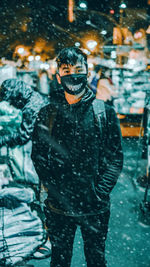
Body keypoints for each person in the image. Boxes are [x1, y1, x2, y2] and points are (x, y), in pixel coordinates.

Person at [31, 47, 123, 267]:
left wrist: (99, 192)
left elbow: (115, 158)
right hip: (59, 208)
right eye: (66, 69)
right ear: (58, 75)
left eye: (78, 69)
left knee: (96, 259)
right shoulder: (48, 113)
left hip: (95, 208)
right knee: (60, 259)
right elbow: (39, 157)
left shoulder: (104, 112)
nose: (73, 74)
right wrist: (54, 190)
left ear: (87, 72)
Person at [0, 79, 51, 260]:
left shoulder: (31, 107)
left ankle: (45, 240)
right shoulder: (36, 98)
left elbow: (24, 134)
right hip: (50, 154)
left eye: (11, 99)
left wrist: (3, 139)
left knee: (41, 197)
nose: (12, 103)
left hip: (44, 157)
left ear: (16, 94)